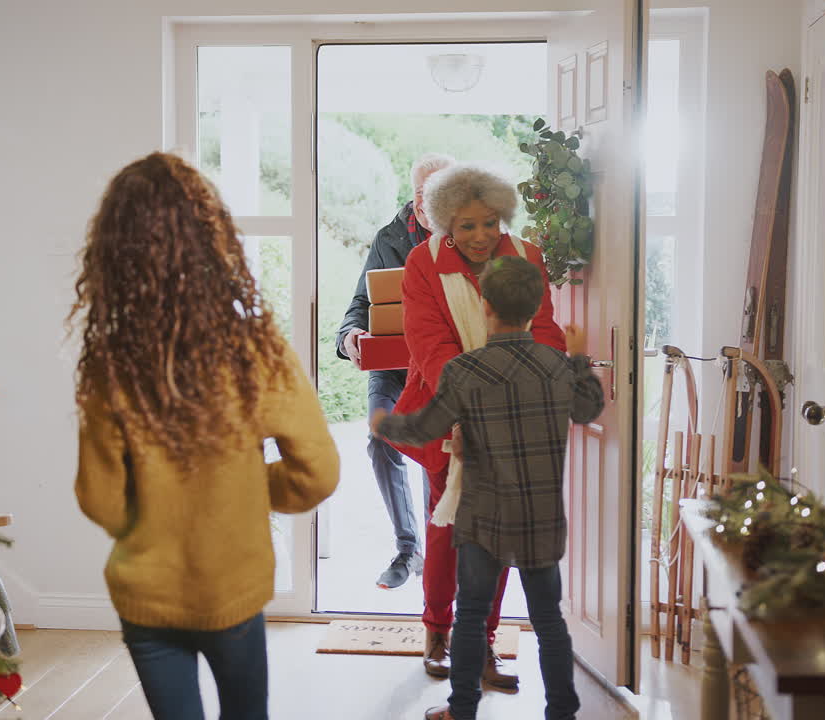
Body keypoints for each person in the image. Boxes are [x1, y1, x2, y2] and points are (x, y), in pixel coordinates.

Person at [71, 152, 340, 720]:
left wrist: (155, 509)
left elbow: (100, 499)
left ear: (115, 254)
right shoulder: (257, 352)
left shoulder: (110, 364)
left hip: (146, 595)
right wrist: (246, 489)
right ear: (212, 241)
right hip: (233, 590)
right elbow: (318, 473)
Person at [372, 256, 605, 720]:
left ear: (483, 306)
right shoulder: (555, 366)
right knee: (550, 622)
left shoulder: (464, 371)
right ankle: (562, 711)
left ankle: (462, 710)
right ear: (536, 306)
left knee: (472, 619)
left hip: (481, 520)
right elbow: (588, 408)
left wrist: (385, 422)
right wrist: (577, 359)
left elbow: (423, 428)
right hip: (540, 519)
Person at [391, 164, 568, 687]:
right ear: (445, 223)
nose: (480, 236)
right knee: (451, 529)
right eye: (466, 226)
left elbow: (546, 333)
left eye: (489, 223)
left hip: (515, 417)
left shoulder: (527, 257)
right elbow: (430, 347)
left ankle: (483, 642)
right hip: (451, 415)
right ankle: (439, 633)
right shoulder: (422, 263)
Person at [336, 152, 455, 589]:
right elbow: (360, 305)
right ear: (413, 193)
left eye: (439, 192)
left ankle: (438, 549)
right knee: (380, 437)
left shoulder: (467, 236)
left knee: (437, 450)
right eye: (422, 193)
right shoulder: (390, 236)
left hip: (440, 370)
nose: (428, 202)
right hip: (392, 369)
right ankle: (408, 550)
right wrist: (349, 335)